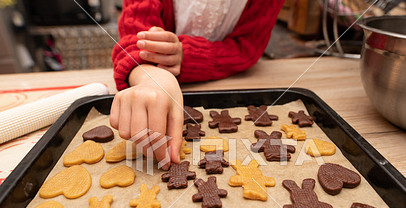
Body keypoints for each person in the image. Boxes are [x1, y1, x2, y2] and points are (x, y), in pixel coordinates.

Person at [110, 0, 285, 169]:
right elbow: (135, 34)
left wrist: (187, 56)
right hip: (155, 83)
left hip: (232, 82)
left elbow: (246, 47)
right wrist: (149, 75)